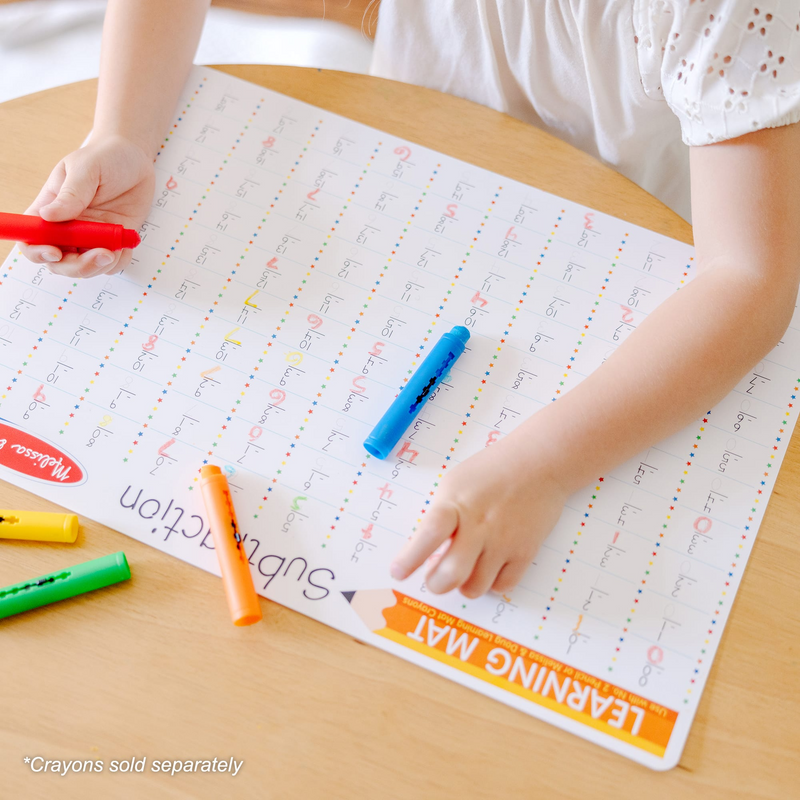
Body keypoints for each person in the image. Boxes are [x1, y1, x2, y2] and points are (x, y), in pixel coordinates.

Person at [18, 0, 800, 599]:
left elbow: (750, 278)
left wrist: (545, 463)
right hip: (419, 186)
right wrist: (122, 132)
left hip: (649, 244)